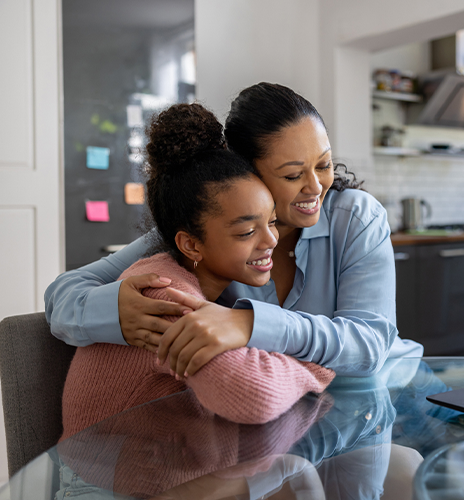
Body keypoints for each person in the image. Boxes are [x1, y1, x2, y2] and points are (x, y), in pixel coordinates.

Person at [45, 83, 423, 377]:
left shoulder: (355, 218)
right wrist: (118, 313)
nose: (316, 186)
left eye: (323, 165)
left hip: (393, 394)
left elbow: (369, 345)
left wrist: (247, 324)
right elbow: (63, 293)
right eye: (293, 174)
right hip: (297, 421)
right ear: (248, 173)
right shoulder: (207, 235)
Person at [60, 103, 335, 441]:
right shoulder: (165, 297)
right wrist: (317, 368)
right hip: (105, 486)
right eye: (247, 232)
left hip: (172, 471)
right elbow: (255, 397)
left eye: (272, 222)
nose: (271, 241)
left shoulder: (197, 279)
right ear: (190, 245)